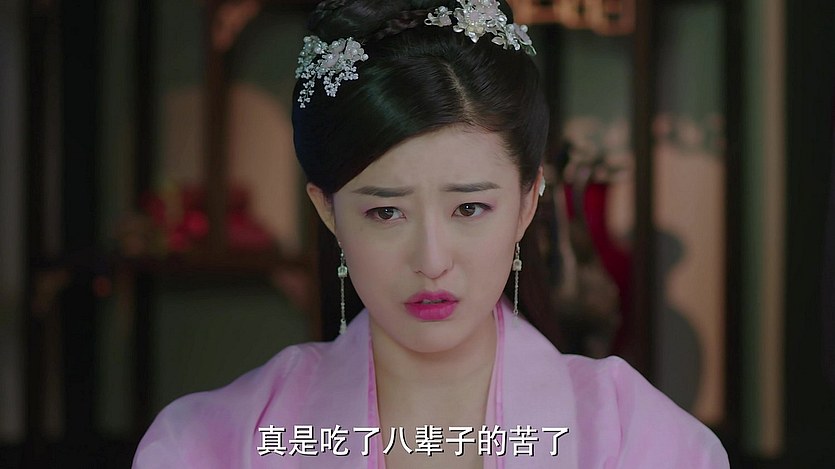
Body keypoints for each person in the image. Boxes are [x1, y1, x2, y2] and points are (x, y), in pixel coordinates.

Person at [133, 0, 730, 467]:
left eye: (469, 208)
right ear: (327, 210)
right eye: (385, 213)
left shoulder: (636, 440)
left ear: (528, 203)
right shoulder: (208, 446)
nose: (432, 260)